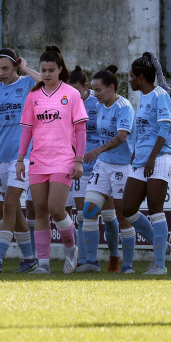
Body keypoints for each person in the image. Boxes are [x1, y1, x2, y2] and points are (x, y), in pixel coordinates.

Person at [15, 46, 87, 274]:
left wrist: (79, 160)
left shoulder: (71, 95)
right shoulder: (33, 96)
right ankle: (43, 264)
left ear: (60, 70)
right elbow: (26, 130)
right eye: (43, 70)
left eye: (50, 70)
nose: (46, 74)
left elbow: (81, 130)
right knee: (39, 209)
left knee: (56, 208)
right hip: (38, 160)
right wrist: (20, 160)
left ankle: (71, 248)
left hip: (64, 159)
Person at [0, 48, 40, 273]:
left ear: (15, 66)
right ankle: (30, 259)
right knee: (14, 211)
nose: (1, 73)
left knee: (11, 205)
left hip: (23, 157)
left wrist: (25, 69)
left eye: (6, 68)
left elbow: (48, 84)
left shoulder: (25, 85)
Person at [122, 52, 171, 275]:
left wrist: (152, 157)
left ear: (142, 77)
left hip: (159, 158)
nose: (130, 80)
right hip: (142, 160)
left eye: (132, 76)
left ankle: (160, 264)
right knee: (128, 208)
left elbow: (164, 129)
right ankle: (160, 243)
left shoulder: (160, 95)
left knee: (156, 209)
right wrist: (136, 152)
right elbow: (144, 130)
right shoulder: (143, 97)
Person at [75, 66, 133, 273]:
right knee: (89, 210)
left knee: (121, 215)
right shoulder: (99, 106)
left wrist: (97, 150)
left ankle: (125, 264)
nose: (95, 94)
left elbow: (122, 137)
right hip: (103, 165)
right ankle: (91, 262)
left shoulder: (124, 106)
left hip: (122, 166)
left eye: (99, 90)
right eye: (94, 90)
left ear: (111, 87)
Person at [68, 66, 102, 268]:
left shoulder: (98, 102)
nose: (72, 94)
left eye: (75, 90)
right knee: (82, 213)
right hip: (78, 167)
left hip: (100, 167)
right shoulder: (67, 103)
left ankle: (114, 259)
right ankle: (84, 261)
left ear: (85, 86)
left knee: (108, 216)